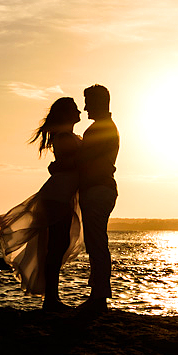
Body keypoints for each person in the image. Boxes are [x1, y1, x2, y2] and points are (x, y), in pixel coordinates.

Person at [0, 96, 85, 311]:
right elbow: (69, 164)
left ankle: (52, 298)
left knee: (57, 246)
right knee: (55, 247)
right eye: (75, 109)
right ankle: (51, 300)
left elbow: (63, 165)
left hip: (62, 194)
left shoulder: (68, 136)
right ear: (66, 114)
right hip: (57, 196)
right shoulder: (64, 138)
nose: (80, 112)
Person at [73, 84, 119, 315]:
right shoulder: (104, 128)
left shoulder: (100, 129)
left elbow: (85, 161)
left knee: (97, 243)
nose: (85, 107)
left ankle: (99, 297)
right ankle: (98, 294)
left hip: (98, 190)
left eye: (88, 102)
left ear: (99, 103)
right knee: (96, 242)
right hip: (100, 189)